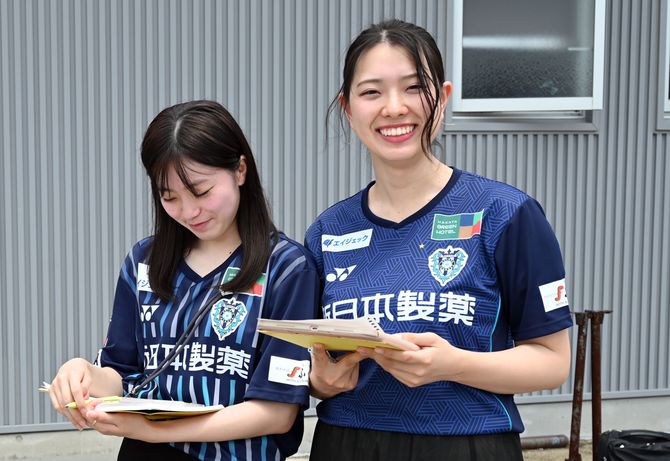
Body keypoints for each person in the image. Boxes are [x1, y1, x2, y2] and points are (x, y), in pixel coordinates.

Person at [304, 19, 573, 461]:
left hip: (467, 443)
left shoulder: (504, 214)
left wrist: (454, 364)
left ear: (442, 98)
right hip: (347, 441)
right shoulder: (329, 230)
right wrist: (320, 381)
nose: (394, 108)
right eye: (371, 92)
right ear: (349, 110)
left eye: (414, 88)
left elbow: (552, 361)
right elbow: (312, 359)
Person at [48, 100, 320, 460]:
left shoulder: (287, 268)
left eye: (202, 192)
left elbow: (277, 412)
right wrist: (81, 373)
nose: (189, 212)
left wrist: (157, 430)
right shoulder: (143, 262)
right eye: (170, 197)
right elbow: (123, 374)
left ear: (240, 170)